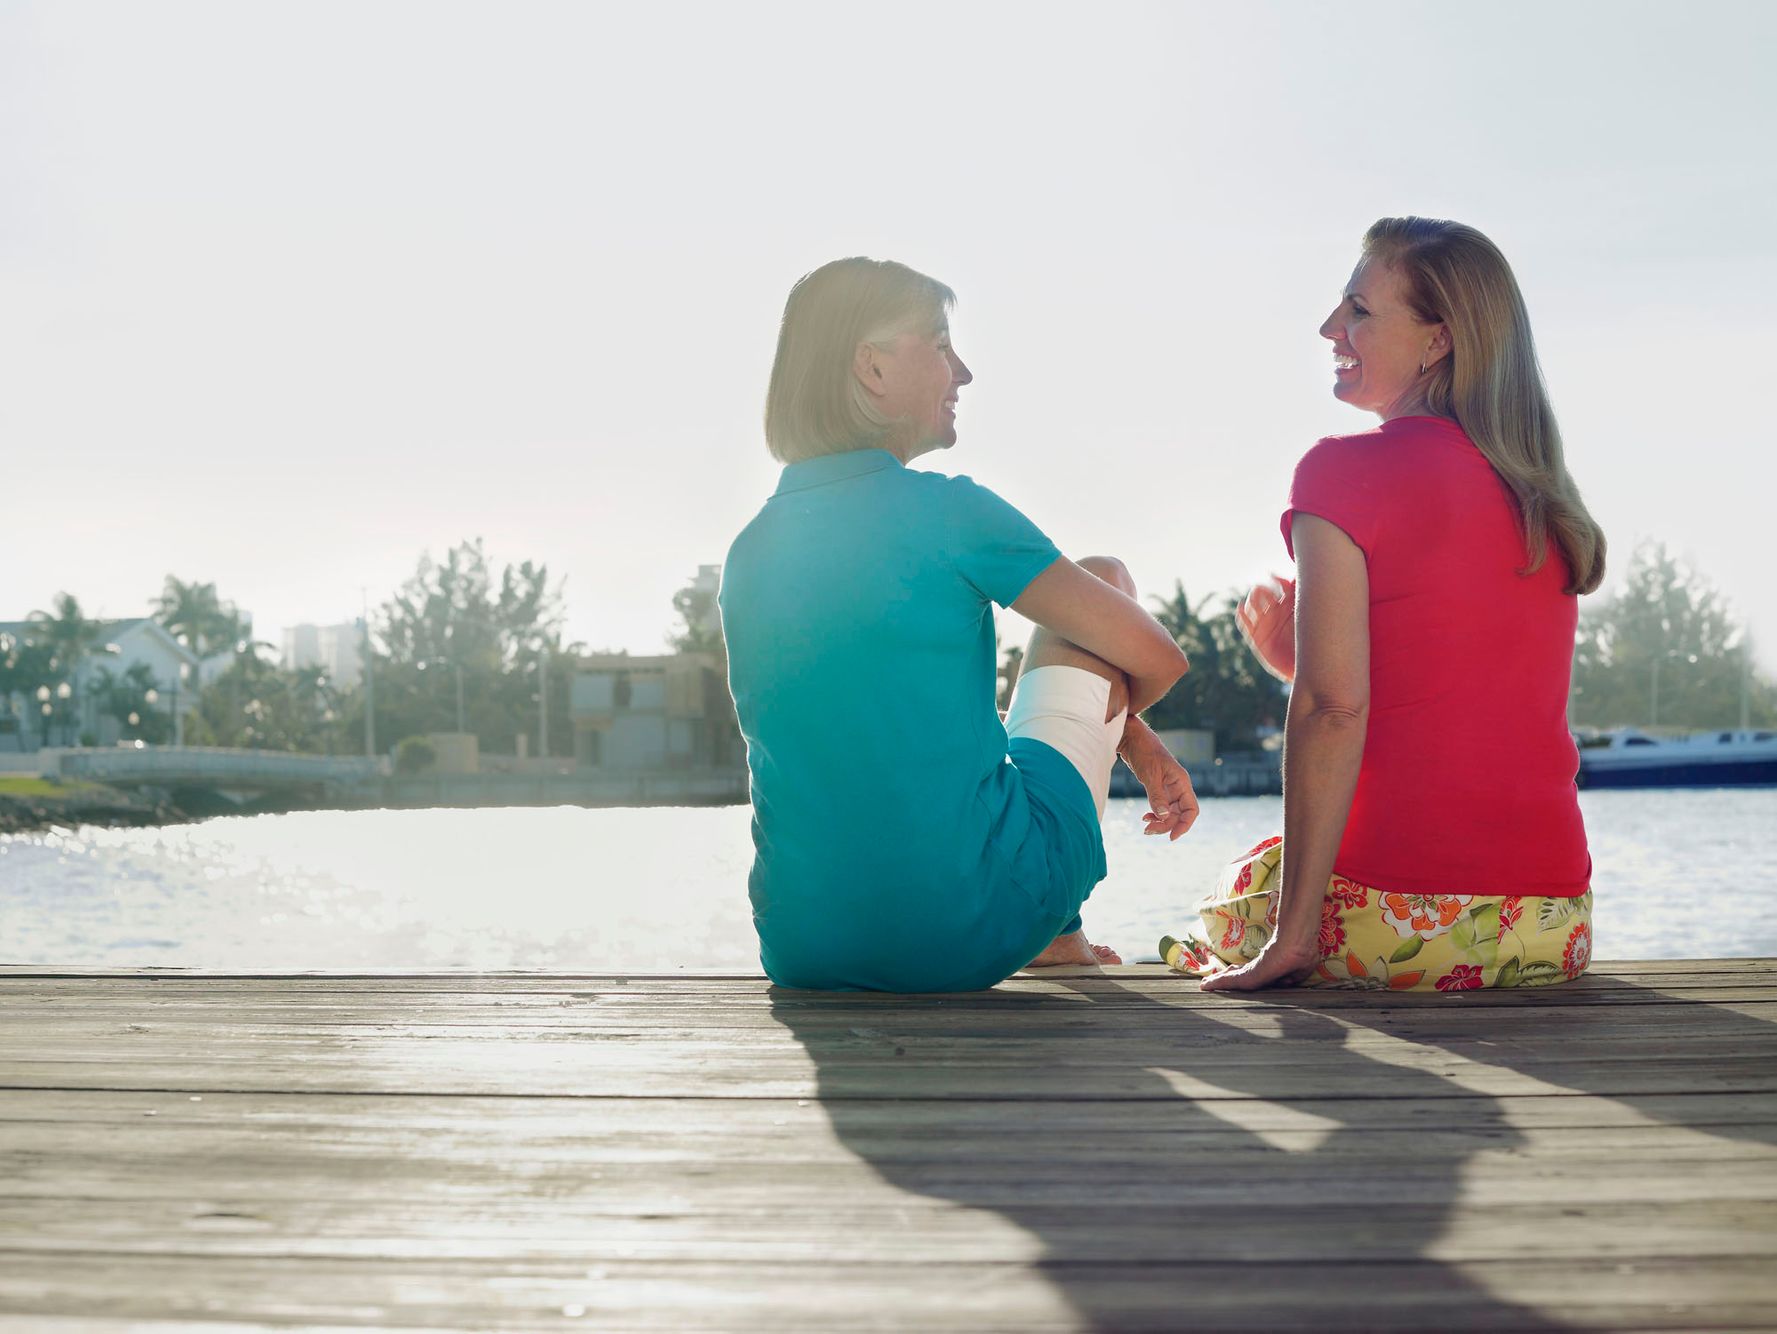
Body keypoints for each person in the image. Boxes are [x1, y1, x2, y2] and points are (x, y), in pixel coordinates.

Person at [721, 257, 1198, 992]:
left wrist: (1125, 733)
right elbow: (1154, 656)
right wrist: (1123, 733)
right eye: (940, 345)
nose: (962, 372)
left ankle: (1054, 931)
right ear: (871, 369)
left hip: (802, 947)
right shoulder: (954, 512)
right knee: (1100, 576)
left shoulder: (753, 546)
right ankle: (1054, 933)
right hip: (965, 931)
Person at [1184, 217, 1606, 993]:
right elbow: (1457, 694)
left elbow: (1332, 710)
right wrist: (1296, 660)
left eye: (1358, 310)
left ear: (1436, 340)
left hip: (1411, 930)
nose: (1329, 328)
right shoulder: (1539, 495)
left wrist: (1291, 938)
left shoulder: (1340, 473)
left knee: (1220, 913)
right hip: (1552, 927)